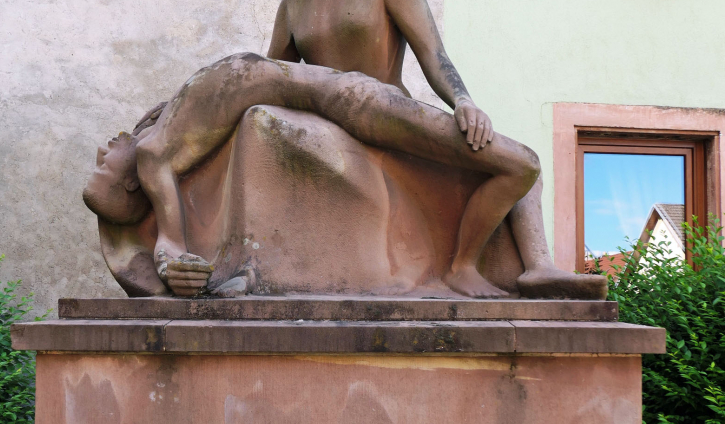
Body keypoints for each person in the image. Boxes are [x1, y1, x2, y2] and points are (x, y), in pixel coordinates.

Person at [263, 0, 605, 300]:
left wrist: (463, 100)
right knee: (521, 163)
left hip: (391, 116)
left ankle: (535, 266)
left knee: (519, 166)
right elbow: (274, 80)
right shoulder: (293, 6)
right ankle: (465, 268)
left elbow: (433, 55)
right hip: (347, 125)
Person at [83, 53, 540, 297]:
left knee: (510, 163)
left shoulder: (172, 130)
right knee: (519, 163)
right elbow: (171, 238)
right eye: (103, 165)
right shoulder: (153, 156)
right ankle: (467, 267)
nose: (107, 146)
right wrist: (170, 263)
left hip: (346, 97)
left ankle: (524, 260)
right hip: (350, 101)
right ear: (130, 184)